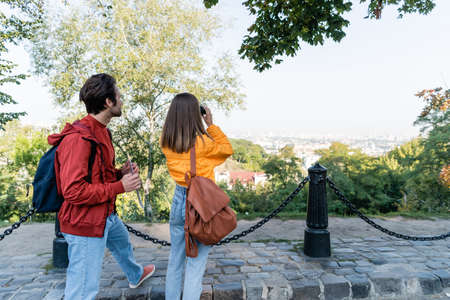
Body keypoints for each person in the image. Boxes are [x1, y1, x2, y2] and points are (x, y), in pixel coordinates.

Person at [48, 73, 155, 300]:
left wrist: (120, 174)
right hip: (84, 222)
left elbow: (97, 176)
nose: (122, 100)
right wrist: (120, 186)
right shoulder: (79, 139)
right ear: (108, 102)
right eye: (119, 96)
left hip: (105, 214)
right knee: (83, 290)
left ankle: (135, 275)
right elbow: (73, 191)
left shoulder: (103, 131)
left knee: (122, 243)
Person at [160, 92, 233, 299]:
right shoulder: (204, 143)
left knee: (175, 260)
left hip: (179, 200)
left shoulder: (166, 141)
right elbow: (227, 149)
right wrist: (210, 124)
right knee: (196, 264)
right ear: (196, 114)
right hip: (201, 205)